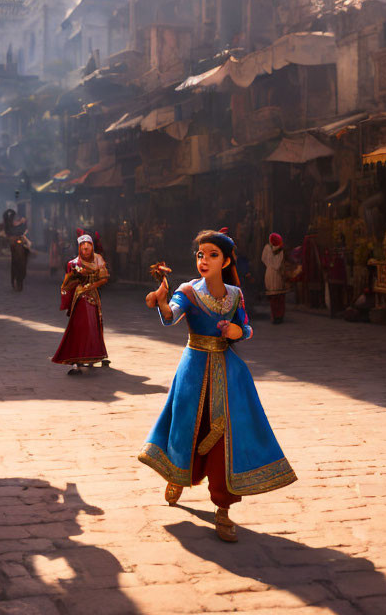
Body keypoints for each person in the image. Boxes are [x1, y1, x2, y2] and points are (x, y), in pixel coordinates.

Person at [140, 229, 296, 543]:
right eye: (200, 254)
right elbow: (171, 318)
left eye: (212, 255)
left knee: (225, 436)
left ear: (225, 260)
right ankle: (177, 475)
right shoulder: (187, 290)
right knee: (187, 427)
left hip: (229, 372)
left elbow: (248, 327)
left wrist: (238, 332)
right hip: (194, 368)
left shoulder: (235, 294)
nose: (204, 260)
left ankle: (223, 508)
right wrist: (160, 301)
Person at [52, 233, 110, 374]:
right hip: (79, 299)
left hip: (93, 298)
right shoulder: (72, 264)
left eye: (88, 247)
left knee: (94, 326)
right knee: (78, 328)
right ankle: (76, 360)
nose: (86, 250)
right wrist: (67, 296)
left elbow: (104, 279)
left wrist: (91, 285)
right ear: (79, 248)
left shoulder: (98, 260)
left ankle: (91, 355)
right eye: (83, 247)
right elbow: (66, 284)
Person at [262, 233, 287, 324]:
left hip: (269, 273)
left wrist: (269, 265)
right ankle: (280, 316)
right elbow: (278, 264)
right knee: (280, 297)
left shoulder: (267, 247)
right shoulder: (280, 250)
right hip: (277, 275)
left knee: (273, 298)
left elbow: (263, 259)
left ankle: (275, 316)